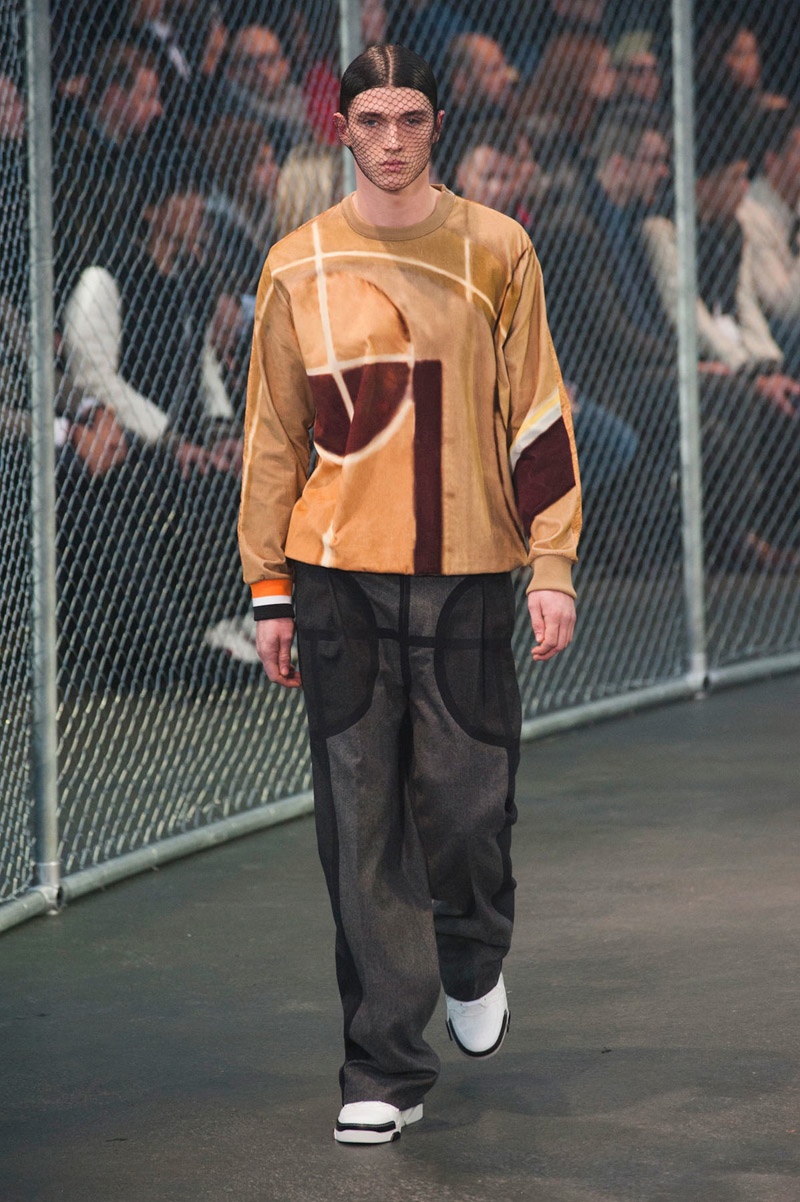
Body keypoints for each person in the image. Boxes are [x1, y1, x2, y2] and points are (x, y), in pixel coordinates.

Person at [238, 43, 581, 1144]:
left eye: (411, 118)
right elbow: (273, 435)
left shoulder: (498, 248)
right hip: (335, 578)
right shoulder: (296, 263)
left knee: (468, 807)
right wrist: (269, 587)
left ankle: (470, 953)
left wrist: (552, 563)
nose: (391, 140)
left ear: (440, 124)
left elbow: (536, 412)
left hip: (468, 575)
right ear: (341, 125)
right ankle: (383, 1064)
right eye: (372, 119)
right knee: (359, 821)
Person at [737, 106, 800, 376]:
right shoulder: (750, 213)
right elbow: (783, 306)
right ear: (773, 162)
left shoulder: (793, 205)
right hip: (771, 329)